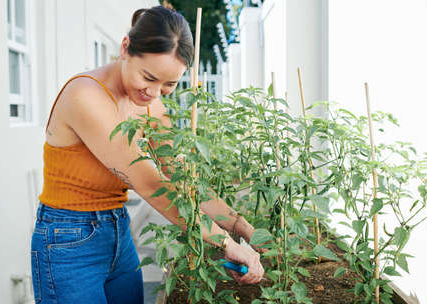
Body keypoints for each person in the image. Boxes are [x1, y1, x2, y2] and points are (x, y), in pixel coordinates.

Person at [30, 6, 264, 304]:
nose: (154, 94)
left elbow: (181, 180)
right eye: (149, 77)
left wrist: (243, 228)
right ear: (125, 48)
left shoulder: (148, 102)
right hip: (68, 241)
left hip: (119, 232)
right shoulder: (85, 96)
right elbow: (150, 183)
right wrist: (226, 243)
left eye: (169, 85)